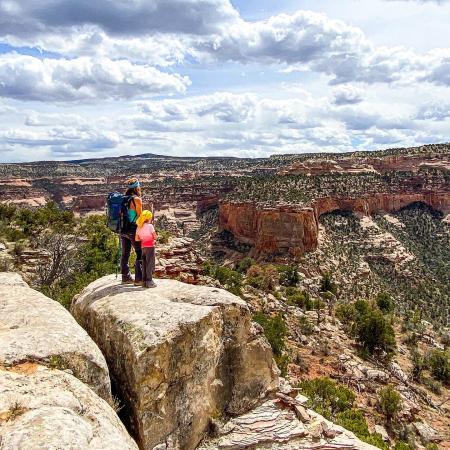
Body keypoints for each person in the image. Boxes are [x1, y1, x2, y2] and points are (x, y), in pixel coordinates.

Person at [120, 177, 143, 285]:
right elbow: (140, 217)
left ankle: (125, 278)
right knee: (140, 253)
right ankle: (139, 279)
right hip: (133, 229)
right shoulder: (137, 199)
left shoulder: (123, 198)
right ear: (136, 187)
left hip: (123, 229)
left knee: (125, 254)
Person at [135, 210, 157, 288]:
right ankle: (149, 281)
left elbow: (137, 239)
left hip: (143, 247)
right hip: (150, 246)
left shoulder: (138, 227)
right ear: (148, 218)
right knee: (150, 263)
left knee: (144, 263)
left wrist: (143, 238)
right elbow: (155, 236)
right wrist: (153, 238)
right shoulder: (150, 226)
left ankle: (144, 282)